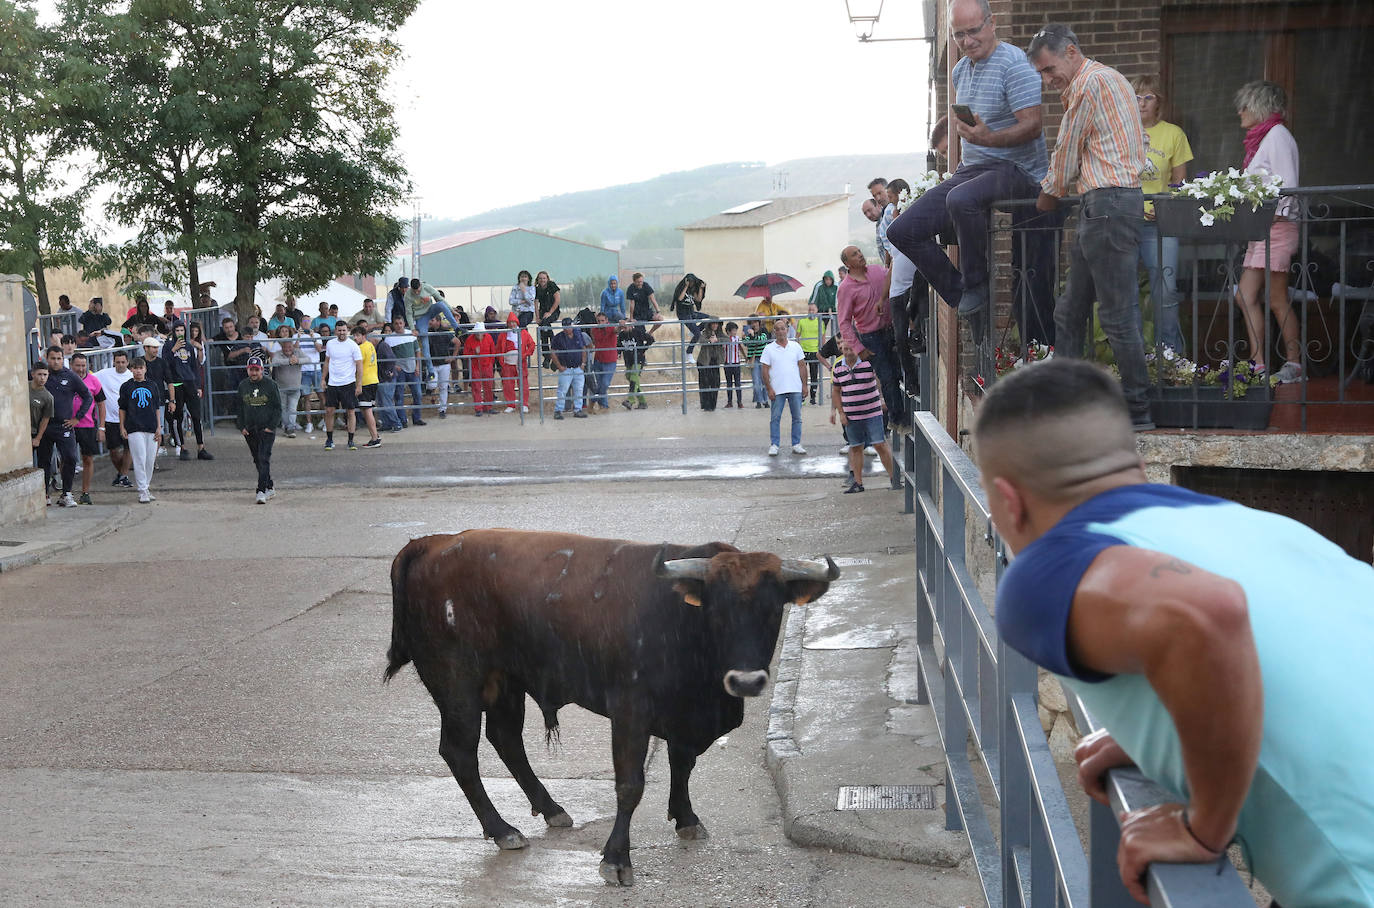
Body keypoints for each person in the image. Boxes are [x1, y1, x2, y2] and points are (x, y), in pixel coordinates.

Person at [973, 357, 1374, 907]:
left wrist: (1202, 828)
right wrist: (1161, 732)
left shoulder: (1047, 567)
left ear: (1009, 501)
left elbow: (1204, 613)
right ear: (1134, 463)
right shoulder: (1244, 524)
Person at [887, 0, 1050, 319]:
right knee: (901, 230)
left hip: (1017, 171)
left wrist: (989, 138)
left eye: (973, 31)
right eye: (958, 34)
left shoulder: (1016, 64)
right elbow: (971, 128)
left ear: (991, 24)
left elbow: (1033, 126)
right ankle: (960, 291)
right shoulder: (960, 70)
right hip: (972, 171)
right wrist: (966, 132)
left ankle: (977, 285)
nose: (966, 41)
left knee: (962, 199)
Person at [1029, 24, 1153, 431]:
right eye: (1042, 75)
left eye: (1049, 70)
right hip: (1105, 205)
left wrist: (1048, 193)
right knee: (1070, 310)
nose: (1048, 81)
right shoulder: (1111, 78)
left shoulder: (1089, 84)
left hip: (1108, 205)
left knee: (1117, 317)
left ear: (1070, 51)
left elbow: (1067, 150)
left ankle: (1137, 412)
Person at [1232, 80, 1303, 384]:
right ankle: (1258, 364)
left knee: (1275, 298)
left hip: (1276, 227)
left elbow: (1287, 185)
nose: (1240, 112)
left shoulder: (1277, 136)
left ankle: (1294, 365)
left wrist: (1268, 217)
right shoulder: (1265, 138)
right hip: (1263, 229)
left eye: (1245, 105)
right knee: (1244, 295)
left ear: (1260, 106)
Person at [1133, 75, 1192, 356]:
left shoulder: (1174, 134)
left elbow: (1180, 182)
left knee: (1166, 290)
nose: (1141, 103)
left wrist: (1163, 203)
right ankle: (1132, 357)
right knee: (1126, 291)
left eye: (1148, 97)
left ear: (1159, 102)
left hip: (1161, 223)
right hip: (1127, 222)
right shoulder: (1123, 132)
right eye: (1136, 97)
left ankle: (1168, 355)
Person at [836, 246, 904, 427]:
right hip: (870, 337)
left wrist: (895, 255)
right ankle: (898, 421)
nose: (860, 255)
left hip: (890, 329)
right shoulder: (845, 288)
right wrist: (858, 349)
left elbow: (892, 276)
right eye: (854, 255)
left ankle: (902, 415)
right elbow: (843, 322)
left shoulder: (876, 271)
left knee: (898, 373)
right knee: (887, 377)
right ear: (847, 263)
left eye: (859, 252)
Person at [830, 339, 899, 493]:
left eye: (851, 349)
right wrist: (840, 412)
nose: (848, 353)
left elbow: (881, 380)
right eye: (845, 349)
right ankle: (858, 483)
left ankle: (894, 479)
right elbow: (836, 390)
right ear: (841, 349)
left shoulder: (868, 364)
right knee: (855, 447)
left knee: (879, 444)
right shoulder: (838, 368)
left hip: (872, 412)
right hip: (851, 415)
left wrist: (883, 398)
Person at [40, 346, 95, 507]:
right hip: (45, 426)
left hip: (64, 425)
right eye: (52, 358)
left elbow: (87, 397)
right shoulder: (42, 375)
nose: (55, 361)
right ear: (46, 358)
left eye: (58, 358)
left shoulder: (70, 376)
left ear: (63, 358)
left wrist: (77, 418)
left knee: (70, 457)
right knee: (44, 461)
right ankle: (44, 494)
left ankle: (66, 493)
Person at [236, 355, 283, 503]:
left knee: (264, 458)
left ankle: (261, 490)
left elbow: (277, 408)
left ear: (262, 370)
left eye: (257, 370)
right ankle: (269, 486)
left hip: (266, 429)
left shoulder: (271, 385)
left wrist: (271, 427)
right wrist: (241, 426)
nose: (254, 373)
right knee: (257, 459)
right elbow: (239, 407)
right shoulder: (243, 385)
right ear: (247, 370)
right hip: (250, 429)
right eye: (251, 370)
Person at [163, 321, 212, 461]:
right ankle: (182, 447)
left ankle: (201, 447)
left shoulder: (189, 346)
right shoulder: (168, 346)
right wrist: (174, 349)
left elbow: (194, 367)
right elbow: (165, 363)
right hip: (177, 384)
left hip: (190, 383)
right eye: (177, 330)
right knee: (178, 417)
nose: (179, 333)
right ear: (173, 332)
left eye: (181, 330)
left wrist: (198, 386)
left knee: (196, 416)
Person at [117, 356, 163, 504]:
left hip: (150, 426)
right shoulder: (126, 387)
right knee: (140, 458)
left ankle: (147, 486)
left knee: (150, 460)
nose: (138, 371)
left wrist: (158, 426)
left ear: (145, 369)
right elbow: (122, 408)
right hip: (134, 427)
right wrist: (122, 426)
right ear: (131, 370)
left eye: (140, 368)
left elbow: (156, 407)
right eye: (135, 368)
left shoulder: (152, 385)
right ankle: (142, 489)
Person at [760, 319, 807, 456]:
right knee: (775, 418)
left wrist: (804, 385)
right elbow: (764, 370)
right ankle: (775, 444)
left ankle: (796, 444)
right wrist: (769, 388)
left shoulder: (796, 347)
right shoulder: (768, 349)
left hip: (795, 387)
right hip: (777, 389)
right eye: (777, 329)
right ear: (774, 332)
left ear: (787, 329)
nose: (780, 331)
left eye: (783, 328)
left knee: (797, 417)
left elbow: (802, 366)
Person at [68, 353, 106, 505]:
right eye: (78, 365)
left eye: (84, 365)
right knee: (67, 459)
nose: (81, 369)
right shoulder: (67, 379)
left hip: (88, 426)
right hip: (68, 425)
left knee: (87, 459)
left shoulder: (94, 381)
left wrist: (101, 428)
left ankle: (85, 492)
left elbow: (101, 404)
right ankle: (67, 492)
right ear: (72, 365)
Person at [94, 350, 135, 488]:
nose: (120, 365)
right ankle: (122, 474)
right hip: (110, 419)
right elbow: (89, 377)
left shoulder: (132, 376)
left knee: (128, 448)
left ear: (127, 362)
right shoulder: (104, 374)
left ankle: (123, 475)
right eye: (118, 362)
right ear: (113, 362)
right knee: (113, 450)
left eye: (123, 362)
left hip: (128, 419)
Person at [321, 320, 362, 451]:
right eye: (339, 330)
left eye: (344, 330)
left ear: (347, 331)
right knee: (329, 411)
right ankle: (329, 439)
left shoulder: (353, 345)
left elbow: (359, 365)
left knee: (350, 411)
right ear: (335, 331)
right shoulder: (330, 344)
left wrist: (359, 384)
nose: (342, 333)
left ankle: (351, 440)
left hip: (348, 383)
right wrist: (323, 379)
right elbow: (327, 362)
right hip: (333, 383)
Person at [385, 316, 425, 427]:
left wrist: (417, 366)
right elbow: (388, 356)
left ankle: (417, 417)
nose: (398, 325)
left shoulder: (411, 335)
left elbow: (417, 351)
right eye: (396, 323)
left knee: (418, 394)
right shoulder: (389, 338)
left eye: (400, 323)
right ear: (393, 325)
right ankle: (402, 420)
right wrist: (395, 366)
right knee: (399, 395)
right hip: (400, 370)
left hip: (413, 368)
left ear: (404, 324)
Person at [349, 325, 383, 446]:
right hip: (373, 380)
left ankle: (375, 438)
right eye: (354, 336)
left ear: (364, 336)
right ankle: (375, 436)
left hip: (366, 382)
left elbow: (358, 366)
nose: (355, 338)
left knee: (367, 410)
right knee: (368, 410)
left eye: (357, 335)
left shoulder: (361, 348)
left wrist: (358, 384)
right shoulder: (370, 345)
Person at [550, 318, 589, 419]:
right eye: (565, 327)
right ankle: (558, 410)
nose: (567, 329)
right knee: (562, 390)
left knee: (579, 390)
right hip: (566, 368)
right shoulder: (558, 337)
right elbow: (553, 352)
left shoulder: (578, 334)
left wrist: (583, 364)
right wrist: (559, 366)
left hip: (577, 367)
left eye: (569, 326)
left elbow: (584, 348)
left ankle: (578, 409)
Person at [497, 314, 536, 413]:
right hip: (508, 363)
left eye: (513, 322)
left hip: (520, 362)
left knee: (523, 384)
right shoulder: (503, 334)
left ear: (517, 323)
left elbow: (532, 344)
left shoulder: (523, 333)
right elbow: (498, 349)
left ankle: (524, 404)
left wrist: (525, 354)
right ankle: (511, 404)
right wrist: (502, 361)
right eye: (510, 322)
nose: (512, 324)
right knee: (508, 384)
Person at [269, 327, 303, 438]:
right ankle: (287, 426)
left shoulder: (297, 352)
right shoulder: (278, 353)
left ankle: (290, 428)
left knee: (292, 408)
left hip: (295, 387)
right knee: (282, 408)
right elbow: (274, 361)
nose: (288, 349)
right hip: (281, 387)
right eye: (285, 347)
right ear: (282, 347)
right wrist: (288, 361)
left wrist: (298, 360)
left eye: (289, 346)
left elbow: (308, 359)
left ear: (293, 346)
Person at [617, 318, 654, 410]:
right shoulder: (621, 335)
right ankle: (642, 402)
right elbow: (619, 345)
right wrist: (619, 353)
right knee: (630, 377)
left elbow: (651, 339)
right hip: (628, 360)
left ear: (630, 326)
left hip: (638, 359)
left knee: (634, 376)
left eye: (626, 327)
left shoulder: (638, 332)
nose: (624, 329)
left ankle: (630, 400)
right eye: (623, 327)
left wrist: (643, 349)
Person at [462, 322, 496, 416]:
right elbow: (465, 354)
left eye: (480, 333)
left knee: (488, 386)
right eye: (477, 333)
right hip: (475, 366)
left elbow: (493, 351)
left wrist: (490, 363)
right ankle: (478, 408)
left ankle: (488, 407)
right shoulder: (469, 339)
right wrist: (474, 353)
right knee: (476, 387)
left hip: (487, 365)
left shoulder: (488, 337)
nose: (479, 335)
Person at [588, 311, 619, 413]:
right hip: (598, 360)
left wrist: (621, 325)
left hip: (610, 361)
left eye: (602, 320)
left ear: (607, 320)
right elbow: (594, 340)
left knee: (604, 384)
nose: (600, 322)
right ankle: (604, 406)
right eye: (598, 321)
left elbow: (617, 330)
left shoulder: (611, 328)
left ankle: (592, 403)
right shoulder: (594, 329)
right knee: (600, 384)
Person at [29, 363, 54, 489]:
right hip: (22, 432)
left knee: (44, 462)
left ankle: (45, 492)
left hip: (36, 433)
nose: (42, 378)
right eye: (39, 374)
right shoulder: (24, 388)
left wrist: (38, 438)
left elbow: (45, 419)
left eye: (45, 375)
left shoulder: (48, 397)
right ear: (33, 374)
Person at [671, 274, 706, 361]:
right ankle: (689, 352)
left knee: (709, 319)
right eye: (690, 282)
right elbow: (680, 298)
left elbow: (698, 299)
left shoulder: (693, 290)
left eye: (692, 282)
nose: (691, 284)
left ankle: (695, 330)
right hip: (683, 314)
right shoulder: (681, 289)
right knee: (698, 334)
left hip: (691, 313)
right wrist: (686, 286)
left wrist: (701, 288)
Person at [795, 302, 824, 404]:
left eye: (813, 310)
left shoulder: (820, 322)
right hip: (803, 351)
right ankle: (802, 396)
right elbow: (797, 336)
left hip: (815, 352)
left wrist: (822, 351)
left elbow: (823, 338)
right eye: (809, 310)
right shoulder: (802, 321)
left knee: (814, 375)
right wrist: (798, 350)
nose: (811, 312)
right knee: (802, 375)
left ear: (817, 311)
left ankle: (813, 397)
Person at [427, 321, 455, 418]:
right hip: (432, 365)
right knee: (432, 384)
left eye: (433, 320)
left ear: (438, 322)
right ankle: (430, 390)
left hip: (444, 364)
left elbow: (457, 342)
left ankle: (442, 409)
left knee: (443, 387)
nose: (431, 322)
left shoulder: (445, 332)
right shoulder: (426, 331)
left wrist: (453, 357)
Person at [535, 270, 562, 367]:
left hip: (553, 311)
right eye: (540, 278)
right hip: (543, 312)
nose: (542, 280)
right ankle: (547, 356)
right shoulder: (537, 289)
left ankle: (552, 354)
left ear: (547, 279)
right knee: (543, 330)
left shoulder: (551, 285)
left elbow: (558, 299)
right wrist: (537, 317)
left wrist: (550, 312)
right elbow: (536, 303)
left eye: (544, 278)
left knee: (545, 325)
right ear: (538, 280)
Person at [695, 320, 723, 411]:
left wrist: (717, 340)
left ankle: (712, 405)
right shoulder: (705, 332)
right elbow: (701, 340)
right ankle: (706, 405)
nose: (715, 325)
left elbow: (727, 339)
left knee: (716, 383)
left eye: (717, 324)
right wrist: (709, 341)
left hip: (714, 361)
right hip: (704, 361)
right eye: (713, 323)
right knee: (705, 383)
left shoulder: (720, 334)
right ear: (710, 325)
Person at [743, 318, 770, 409]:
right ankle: (759, 401)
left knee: (765, 380)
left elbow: (762, 340)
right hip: (754, 360)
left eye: (755, 322)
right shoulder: (748, 333)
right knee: (756, 381)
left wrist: (753, 336)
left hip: (763, 360)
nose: (754, 324)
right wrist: (749, 336)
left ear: (759, 323)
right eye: (752, 323)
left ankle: (765, 400)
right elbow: (746, 343)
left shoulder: (763, 332)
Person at [722, 321, 745, 409]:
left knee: (738, 383)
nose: (735, 332)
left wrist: (745, 357)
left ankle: (739, 402)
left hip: (736, 363)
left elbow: (740, 347)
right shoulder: (725, 339)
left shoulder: (737, 338)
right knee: (729, 383)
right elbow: (722, 349)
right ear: (728, 331)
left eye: (735, 330)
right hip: (727, 363)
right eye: (733, 330)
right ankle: (729, 402)